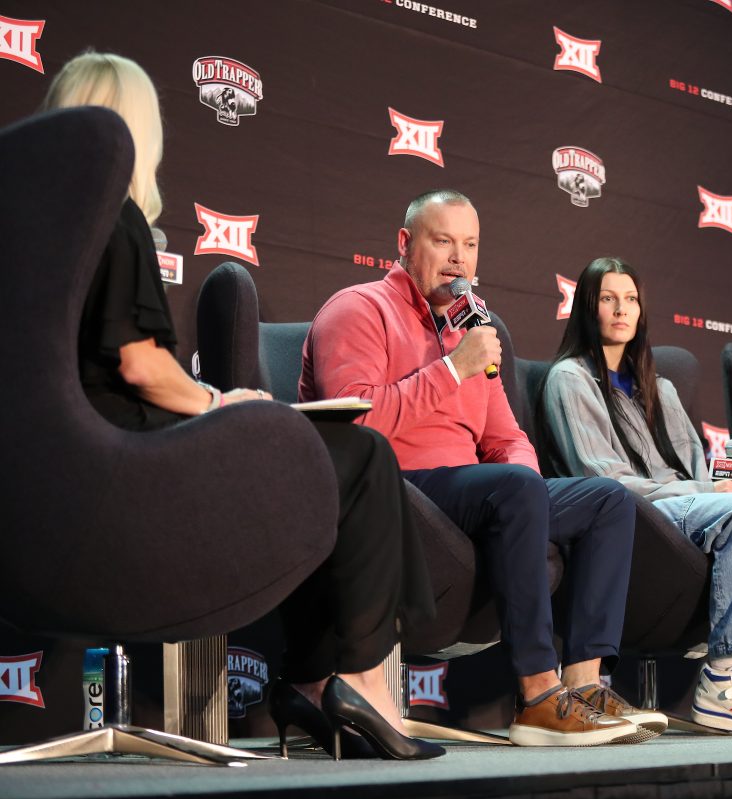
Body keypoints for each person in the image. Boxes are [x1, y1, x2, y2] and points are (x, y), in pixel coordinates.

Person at [46, 52, 442, 760]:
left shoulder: (38, 228)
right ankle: (350, 682)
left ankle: (315, 686)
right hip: (132, 474)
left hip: (55, 486)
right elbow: (138, 363)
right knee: (359, 454)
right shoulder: (116, 215)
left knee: (337, 462)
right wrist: (222, 400)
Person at [299, 190, 660, 746]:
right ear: (404, 244)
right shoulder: (358, 308)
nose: (458, 259)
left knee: (607, 500)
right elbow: (352, 428)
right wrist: (451, 370)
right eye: (442, 241)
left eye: (469, 245)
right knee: (514, 488)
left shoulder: (470, 332)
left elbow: (506, 438)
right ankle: (537, 697)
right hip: (397, 493)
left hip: (476, 493)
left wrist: (532, 489)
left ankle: (582, 686)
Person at [536, 257, 732, 734]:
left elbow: (693, 468)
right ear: (587, 306)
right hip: (638, 513)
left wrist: (714, 488)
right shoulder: (571, 378)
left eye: (630, 299)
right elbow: (603, 480)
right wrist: (709, 491)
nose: (621, 310)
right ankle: (724, 680)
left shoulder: (659, 388)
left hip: (687, 505)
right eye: (608, 298)